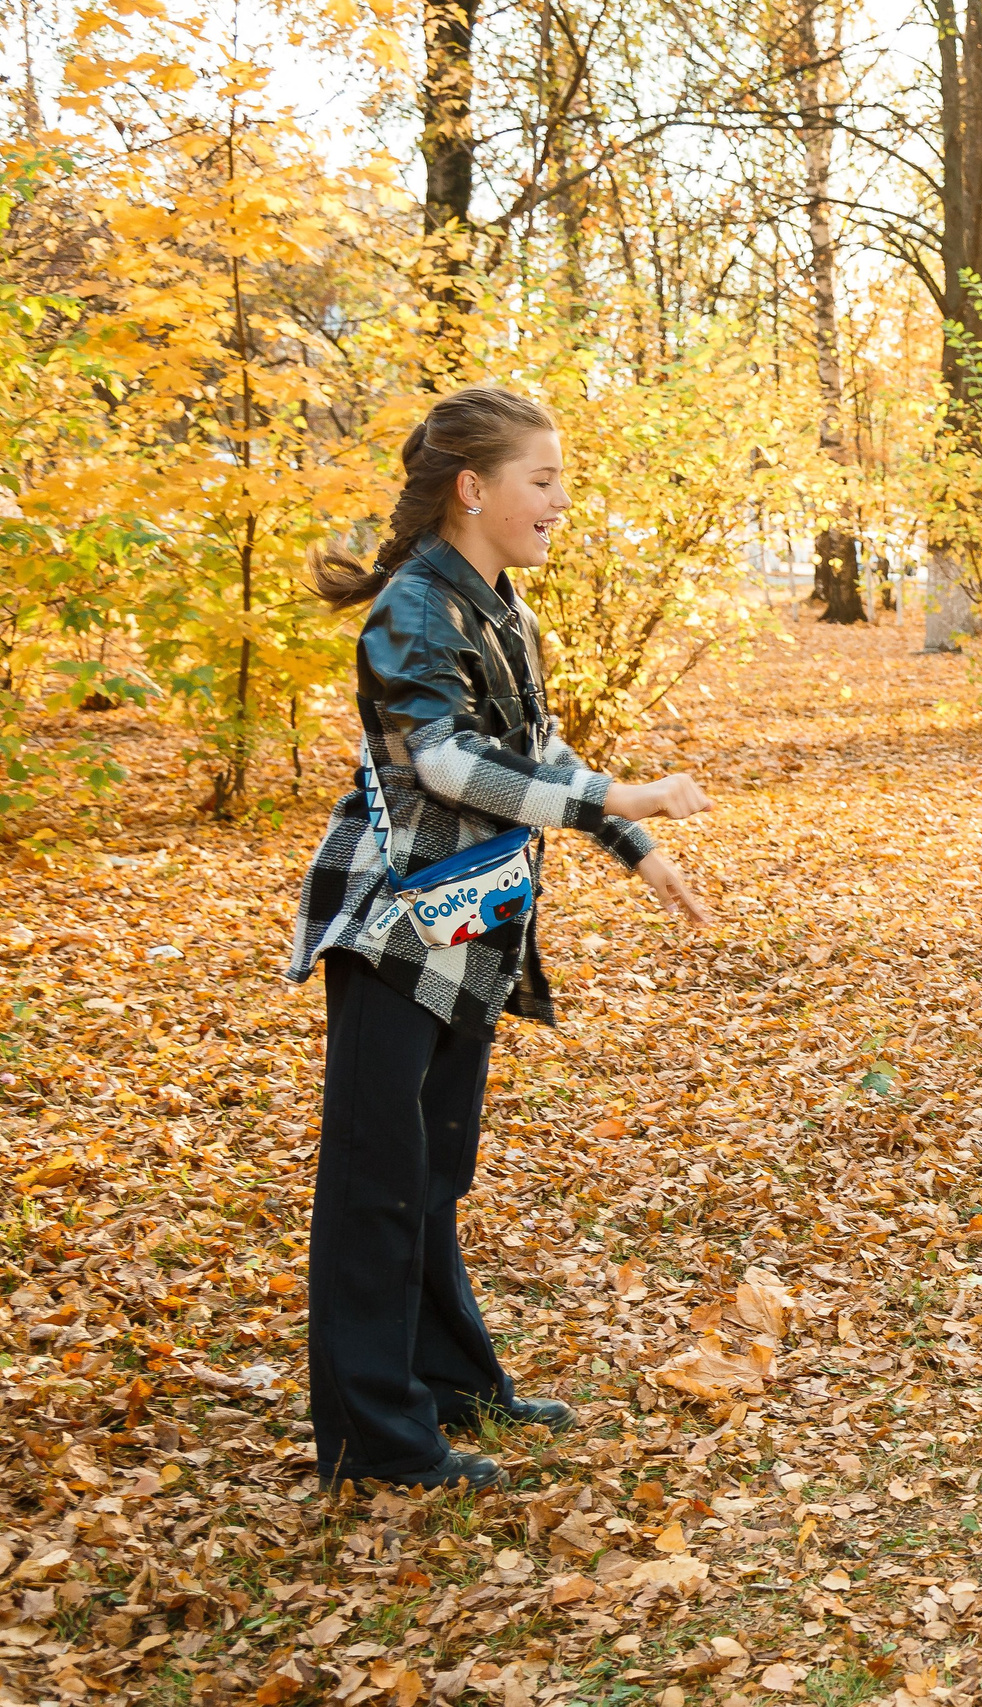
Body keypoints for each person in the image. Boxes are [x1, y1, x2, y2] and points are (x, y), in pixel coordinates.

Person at [287, 385, 715, 1491]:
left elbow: (537, 750)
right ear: (474, 490)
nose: (562, 501)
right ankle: (376, 1440)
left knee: (432, 1173)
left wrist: (632, 842)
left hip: (468, 925)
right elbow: (444, 764)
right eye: (545, 479)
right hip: (392, 929)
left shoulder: (502, 606)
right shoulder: (414, 609)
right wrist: (625, 795)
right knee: (378, 1183)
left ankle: (450, 1384)